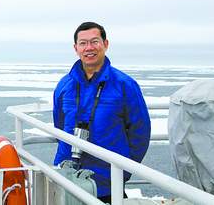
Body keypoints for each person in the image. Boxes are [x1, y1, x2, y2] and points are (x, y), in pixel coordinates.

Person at [53, 21, 151, 203]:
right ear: (76, 48)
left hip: (107, 179)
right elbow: (59, 125)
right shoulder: (64, 86)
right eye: (83, 43)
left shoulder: (124, 85)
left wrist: (123, 170)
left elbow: (140, 133)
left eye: (94, 41)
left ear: (105, 44)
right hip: (67, 176)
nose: (88, 48)